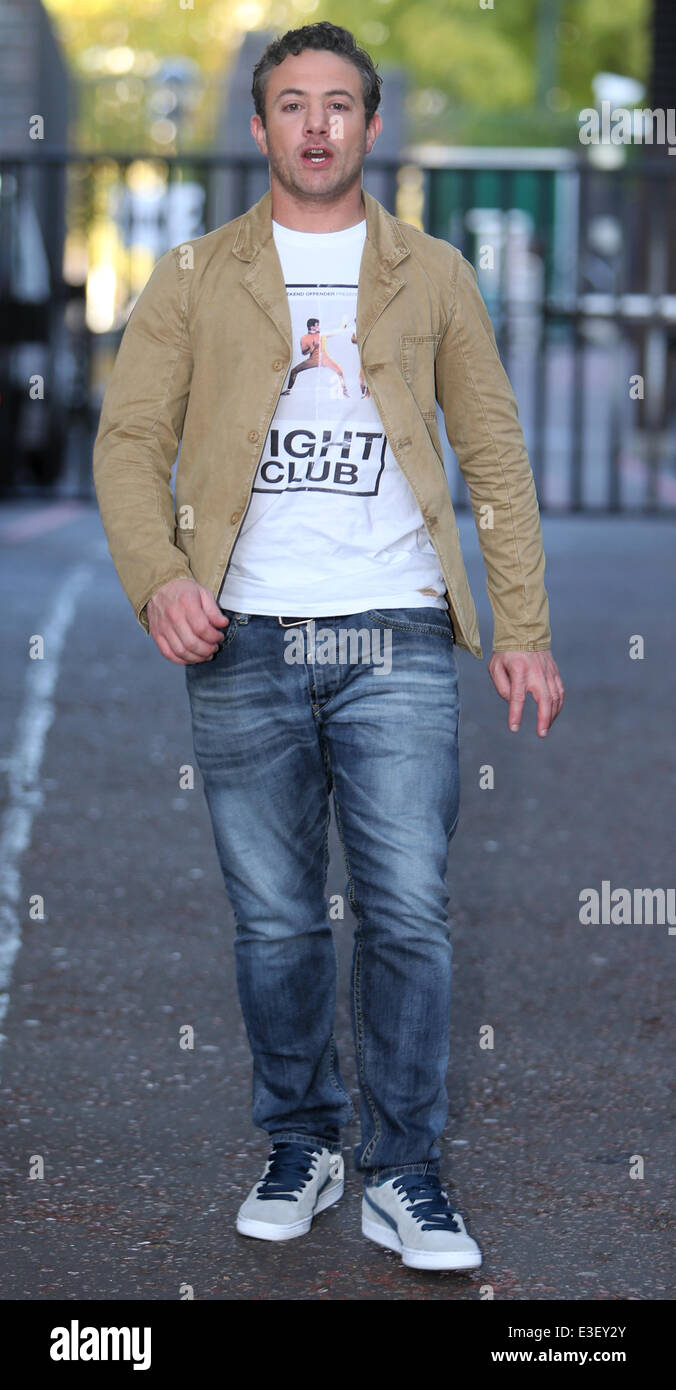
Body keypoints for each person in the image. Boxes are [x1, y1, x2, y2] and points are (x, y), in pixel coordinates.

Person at [93, 21, 564, 1274]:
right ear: (260, 127)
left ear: (370, 125)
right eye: (292, 103)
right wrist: (159, 580)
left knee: (407, 910)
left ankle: (403, 1170)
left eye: (338, 103)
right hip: (241, 633)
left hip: (395, 626)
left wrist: (520, 626)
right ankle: (301, 1143)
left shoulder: (434, 275)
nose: (315, 124)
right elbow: (129, 442)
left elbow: (495, 455)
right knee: (276, 922)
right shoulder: (194, 274)